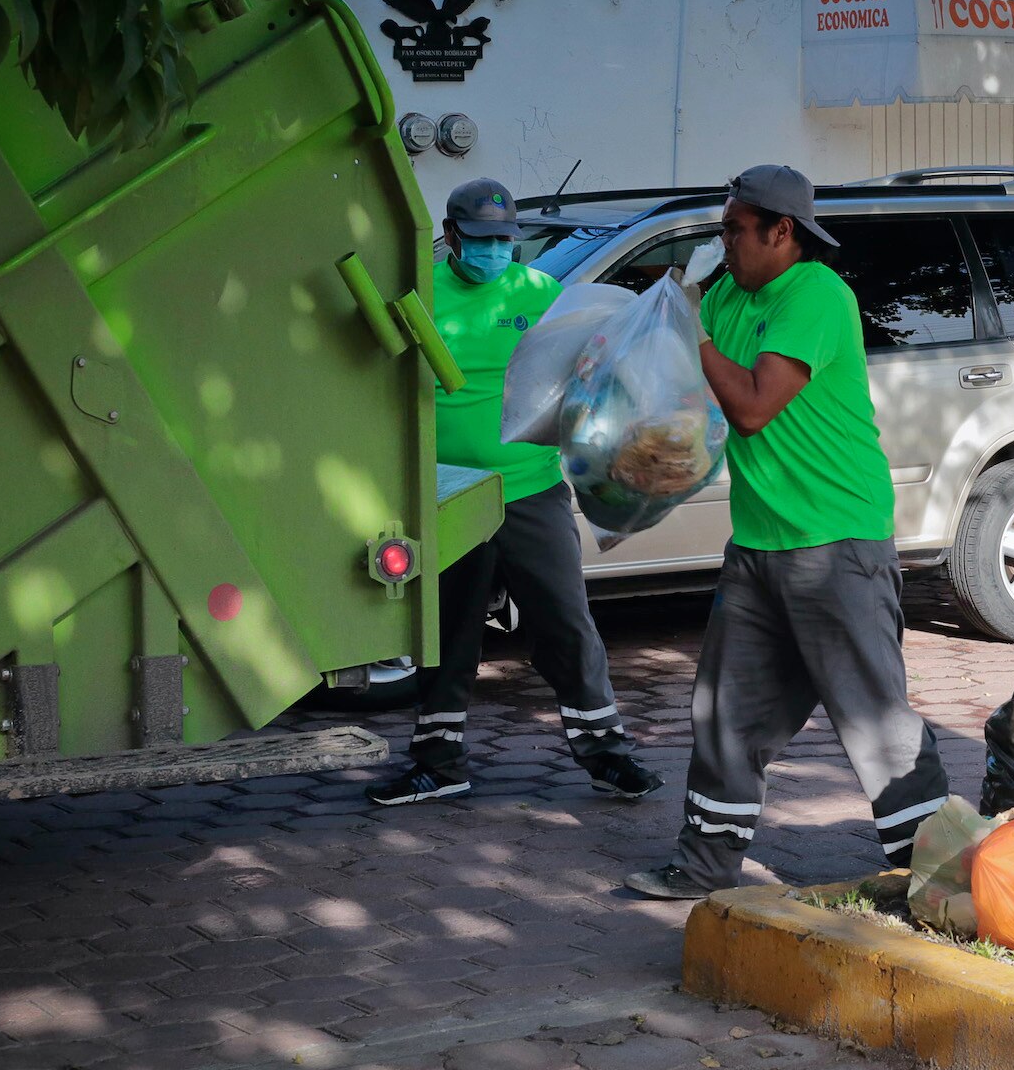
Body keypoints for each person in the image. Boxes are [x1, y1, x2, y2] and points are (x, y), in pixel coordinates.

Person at [624, 165, 949, 897]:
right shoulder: (733, 297)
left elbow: (752, 406)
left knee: (875, 722)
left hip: (835, 543)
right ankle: (704, 865)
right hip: (760, 547)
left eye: (736, 229)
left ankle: (940, 873)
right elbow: (699, 395)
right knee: (725, 713)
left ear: (783, 231)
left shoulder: (817, 296)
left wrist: (690, 330)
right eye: (723, 227)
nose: (724, 241)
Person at [366, 178, 662, 806]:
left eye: (505, 240)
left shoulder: (541, 293)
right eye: (481, 240)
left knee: (565, 623)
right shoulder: (419, 288)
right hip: (446, 491)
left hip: (531, 488)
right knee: (448, 632)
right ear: (451, 236)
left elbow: (592, 370)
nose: (495, 251)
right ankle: (439, 762)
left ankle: (608, 754)